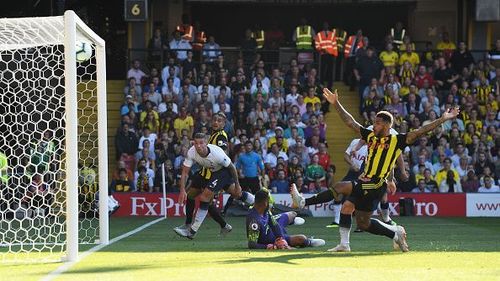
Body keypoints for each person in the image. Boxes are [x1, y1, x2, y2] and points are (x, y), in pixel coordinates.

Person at [291, 88, 460, 252]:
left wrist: (443, 118)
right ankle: (389, 234)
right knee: (359, 220)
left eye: (377, 123)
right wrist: (336, 104)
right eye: (374, 123)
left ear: (387, 125)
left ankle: (304, 202)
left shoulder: (398, 140)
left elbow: (422, 130)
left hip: (377, 184)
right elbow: (350, 122)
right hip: (365, 181)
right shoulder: (370, 135)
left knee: (341, 187)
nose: (374, 125)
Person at [174, 133, 255, 239]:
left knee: (204, 198)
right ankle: (259, 202)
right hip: (211, 171)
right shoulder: (191, 152)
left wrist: (237, 184)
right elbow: (185, 172)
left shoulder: (217, 154)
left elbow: (232, 167)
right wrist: (182, 190)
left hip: (223, 171)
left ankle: (192, 231)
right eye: (196, 143)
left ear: (206, 143)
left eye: (201, 143)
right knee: (236, 194)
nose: (198, 146)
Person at [179, 112, 233, 235]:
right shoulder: (211, 134)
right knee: (192, 195)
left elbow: (223, 156)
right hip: (205, 171)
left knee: (207, 200)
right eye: (214, 120)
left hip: (215, 173)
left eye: (219, 121)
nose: (215, 122)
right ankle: (188, 224)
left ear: (224, 124)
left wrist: (219, 182)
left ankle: (193, 229)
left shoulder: (221, 136)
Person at [246, 189, 325, 249]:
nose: (271, 205)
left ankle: (291, 221)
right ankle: (309, 242)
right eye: (269, 203)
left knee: (292, 214)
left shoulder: (264, 211)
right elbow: (252, 244)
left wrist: (281, 238)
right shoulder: (254, 221)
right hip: (269, 239)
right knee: (302, 239)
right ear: (264, 203)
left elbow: (275, 225)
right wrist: (270, 246)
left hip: (271, 230)